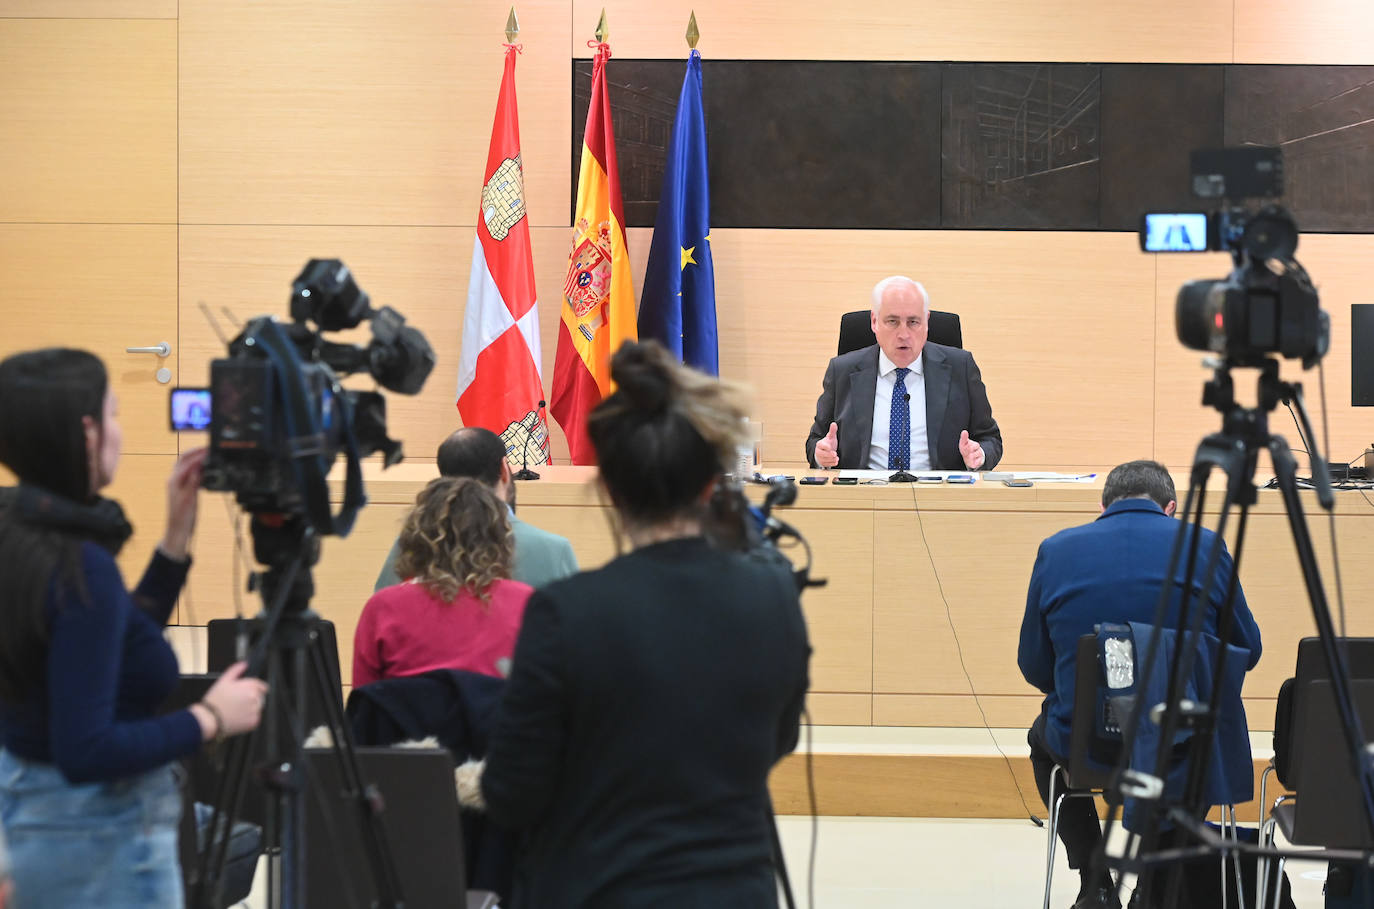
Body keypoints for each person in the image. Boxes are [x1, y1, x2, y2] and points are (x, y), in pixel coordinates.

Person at [478, 341, 811, 908]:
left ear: (609, 489)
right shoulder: (774, 594)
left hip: (596, 888)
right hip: (734, 891)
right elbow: (776, 739)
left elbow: (511, 794)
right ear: (711, 486)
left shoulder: (563, 612)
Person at [0, 348, 267, 909]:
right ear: (88, 431)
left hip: (36, 819)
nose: (121, 430)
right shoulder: (79, 564)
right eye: (115, 413)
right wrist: (211, 716)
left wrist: (174, 542)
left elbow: (105, 650)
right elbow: (88, 748)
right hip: (99, 841)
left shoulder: (20, 534)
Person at [1017, 460, 1264, 909]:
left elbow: (1034, 666)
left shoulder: (1055, 549)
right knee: (1198, 744)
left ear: (1103, 505)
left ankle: (1095, 882)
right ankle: (1155, 881)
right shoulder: (1205, 548)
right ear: (1171, 507)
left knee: (1040, 742)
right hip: (1181, 744)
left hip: (1087, 743)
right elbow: (1248, 649)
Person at [806, 275, 1002, 471]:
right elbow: (816, 440)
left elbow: (990, 438)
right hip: (864, 494)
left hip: (938, 495)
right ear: (874, 322)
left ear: (926, 322)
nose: (904, 334)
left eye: (913, 322)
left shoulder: (961, 367)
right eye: (892, 321)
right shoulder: (842, 370)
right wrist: (821, 454)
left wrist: (979, 454)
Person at [354, 476, 532, 686]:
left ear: (416, 536)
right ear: (499, 537)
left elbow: (364, 704)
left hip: (412, 717)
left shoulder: (383, 608)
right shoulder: (526, 603)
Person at [374, 427, 577, 592]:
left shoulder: (413, 545)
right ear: (504, 470)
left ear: (442, 479)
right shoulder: (554, 551)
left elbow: (383, 615)